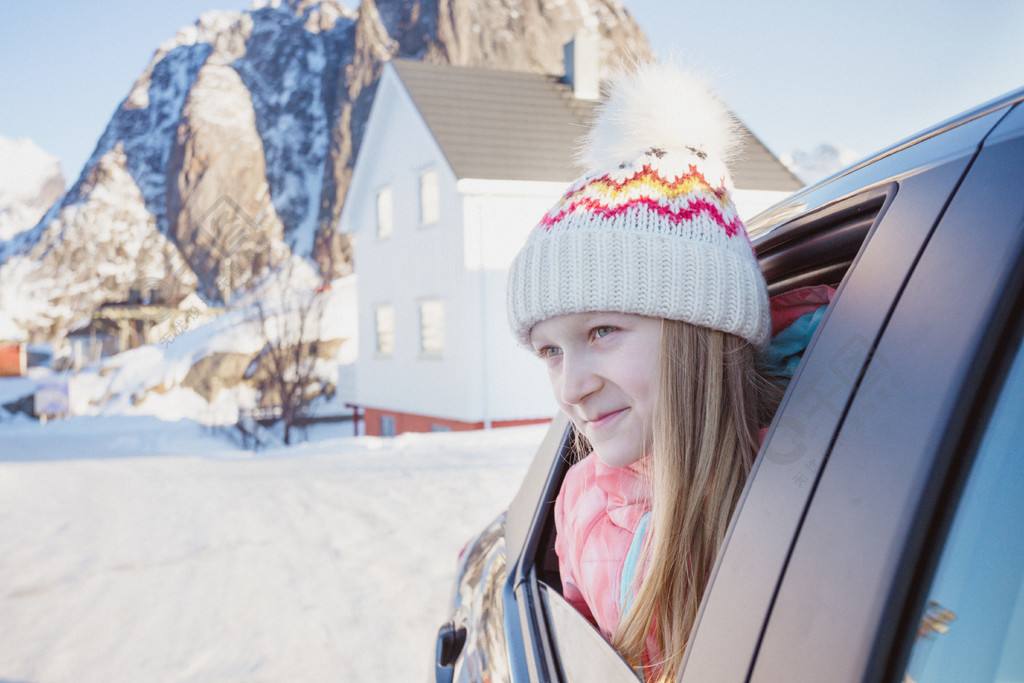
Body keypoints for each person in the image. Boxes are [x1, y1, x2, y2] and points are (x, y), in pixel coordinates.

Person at [505, 63, 788, 681]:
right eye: (550, 351)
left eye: (601, 332)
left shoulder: (805, 486)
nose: (569, 388)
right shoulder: (579, 502)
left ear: (698, 331)